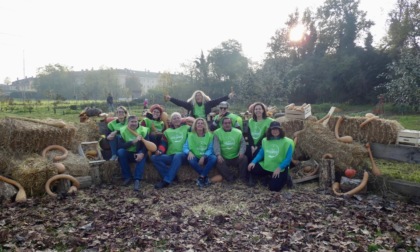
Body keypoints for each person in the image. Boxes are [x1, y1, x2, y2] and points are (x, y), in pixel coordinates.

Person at [247, 121, 294, 192]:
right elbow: (261, 154)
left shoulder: (288, 142)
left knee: (274, 188)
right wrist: (253, 162)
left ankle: (286, 177)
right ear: (270, 130)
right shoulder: (265, 140)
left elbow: (288, 159)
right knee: (252, 168)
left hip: (280, 168)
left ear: (280, 130)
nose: (275, 131)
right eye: (273, 129)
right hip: (267, 166)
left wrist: (279, 168)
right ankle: (268, 176)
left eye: (277, 129)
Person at [151, 112, 190, 189]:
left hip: (184, 155)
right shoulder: (167, 131)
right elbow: (163, 144)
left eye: (178, 117)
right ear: (171, 121)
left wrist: (186, 120)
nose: (176, 120)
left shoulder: (187, 128)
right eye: (174, 118)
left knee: (178, 155)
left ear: (181, 119)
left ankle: (166, 181)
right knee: (154, 157)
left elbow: (197, 124)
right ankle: (173, 176)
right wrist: (160, 151)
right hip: (171, 156)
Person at [117, 115, 150, 191]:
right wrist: (133, 141)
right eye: (132, 122)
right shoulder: (123, 130)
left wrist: (142, 153)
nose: (134, 123)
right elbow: (121, 146)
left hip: (139, 152)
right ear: (128, 123)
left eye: (135, 121)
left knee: (142, 156)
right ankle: (127, 177)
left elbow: (146, 144)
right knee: (120, 152)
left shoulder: (144, 130)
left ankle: (137, 180)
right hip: (129, 153)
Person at [183, 118, 217, 188]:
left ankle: (201, 177)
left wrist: (204, 156)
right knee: (190, 160)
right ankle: (205, 177)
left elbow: (210, 149)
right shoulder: (190, 135)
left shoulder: (210, 135)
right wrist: (189, 152)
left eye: (202, 123)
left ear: (205, 126)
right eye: (198, 123)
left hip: (205, 156)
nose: (200, 125)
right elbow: (185, 147)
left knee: (213, 158)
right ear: (195, 125)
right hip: (195, 155)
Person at [213, 117, 248, 183]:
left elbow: (243, 143)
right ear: (222, 124)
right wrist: (218, 155)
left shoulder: (238, 132)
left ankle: (242, 178)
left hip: (236, 156)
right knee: (217, 161)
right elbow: (216, 145)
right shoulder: (217, 132)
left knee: (244, 158)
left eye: (229, 123)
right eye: (225, 123)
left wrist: (241, 152)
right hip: (224, 157)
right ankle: (230, 177)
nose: (227, 125)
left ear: (231, 124)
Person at [164, 90, 234, 120]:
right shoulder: (191, 105)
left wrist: (228, 96)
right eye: (196, 96)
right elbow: (180, 103)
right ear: (194, 97)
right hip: (195, 122)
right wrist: (170, 98)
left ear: (203, 97)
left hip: (206, 121)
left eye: (200, 95)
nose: (198, 97)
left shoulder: (208, 104)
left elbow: (218, 100)